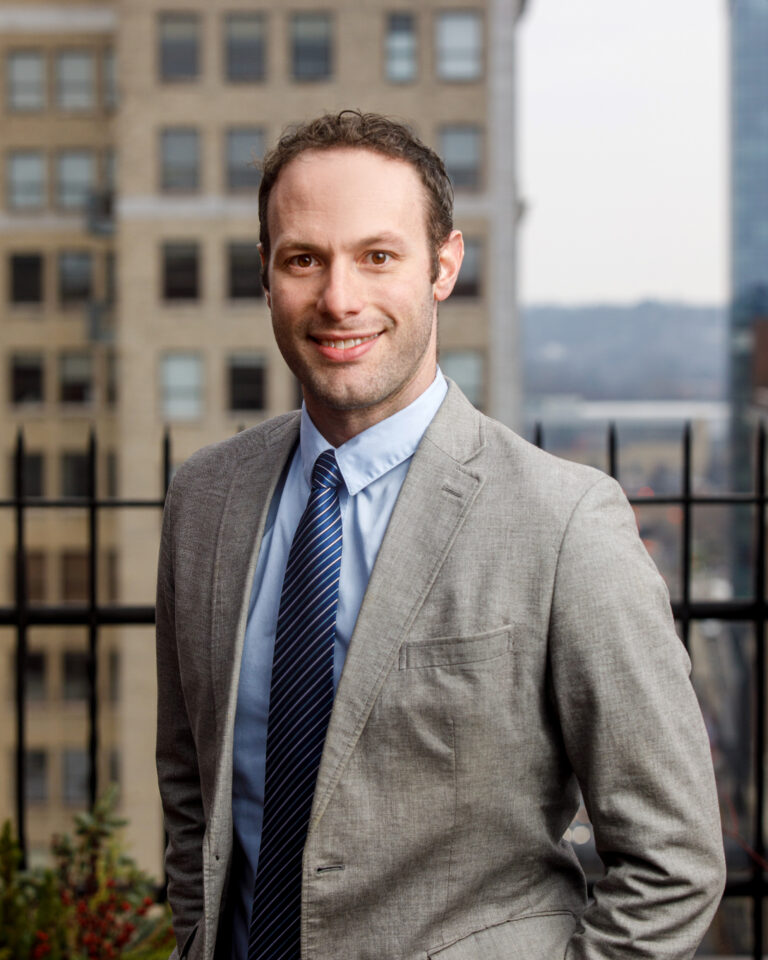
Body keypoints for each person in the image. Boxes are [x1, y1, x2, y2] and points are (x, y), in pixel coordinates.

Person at [155, 110, 725, 960]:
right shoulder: (206, 498)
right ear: (267, 276)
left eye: (378, 256)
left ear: (443, 267)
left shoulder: (564, 522)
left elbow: (673, 862)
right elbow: (191, 784)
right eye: (304, 259)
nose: (339, 298)